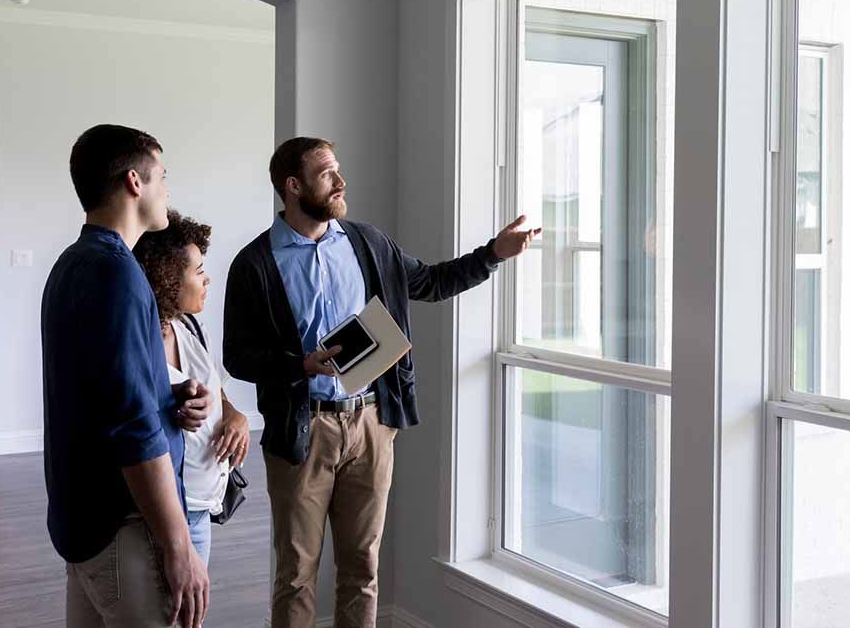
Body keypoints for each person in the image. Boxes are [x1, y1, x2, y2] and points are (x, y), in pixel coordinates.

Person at [223, 137, 539, 628]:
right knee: (296, 575)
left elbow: (430, 282)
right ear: (293, 185)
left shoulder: (367, 243)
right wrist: (301, 365)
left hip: (371, 425)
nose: (340, 181)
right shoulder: (255, 263)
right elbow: (237, 356)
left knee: (363, 567)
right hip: (303, 431)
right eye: (327, 173)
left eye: (338, 169)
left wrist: (494, 253)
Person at [41, 124, 212, 628]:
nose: (167, 191)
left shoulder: (73, 263)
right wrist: (178, 544)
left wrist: (169, 391)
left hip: (84, 525)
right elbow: (132, 427)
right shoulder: (117, 273)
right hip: (125, 529)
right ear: (135, 182)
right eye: (163, 177)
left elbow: (100, 389)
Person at [134, 209, 252, 566]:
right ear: (169, 278)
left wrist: (234, 415)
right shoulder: (140, 340)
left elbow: (217, 388)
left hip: (203, 510)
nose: (207, 280)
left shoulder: (188, 326)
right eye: (198, 271)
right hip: (166, 517)